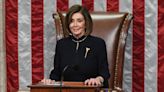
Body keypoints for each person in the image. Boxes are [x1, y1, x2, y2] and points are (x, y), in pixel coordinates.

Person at [41, 4, 110, 88]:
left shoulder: (98, 43)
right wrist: (50, 80)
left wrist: (98, 79)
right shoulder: (61, 44)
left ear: (86, 23)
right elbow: (56, 73)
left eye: (79, 21)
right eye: (71, 21)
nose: (75, 25)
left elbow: (104, 73)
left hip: (91, 89)